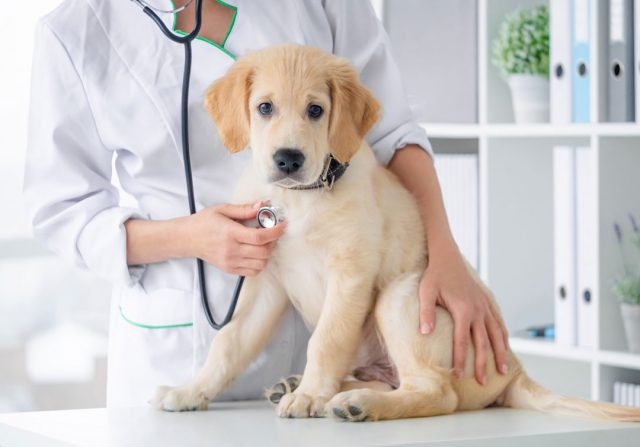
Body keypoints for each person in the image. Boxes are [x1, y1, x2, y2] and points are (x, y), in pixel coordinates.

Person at [24, 0, 509, 408]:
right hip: (175, 339)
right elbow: (62, 207)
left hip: (329, 349)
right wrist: (191, 236)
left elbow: (391, 133)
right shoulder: (76, 31)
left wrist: (445, 256)